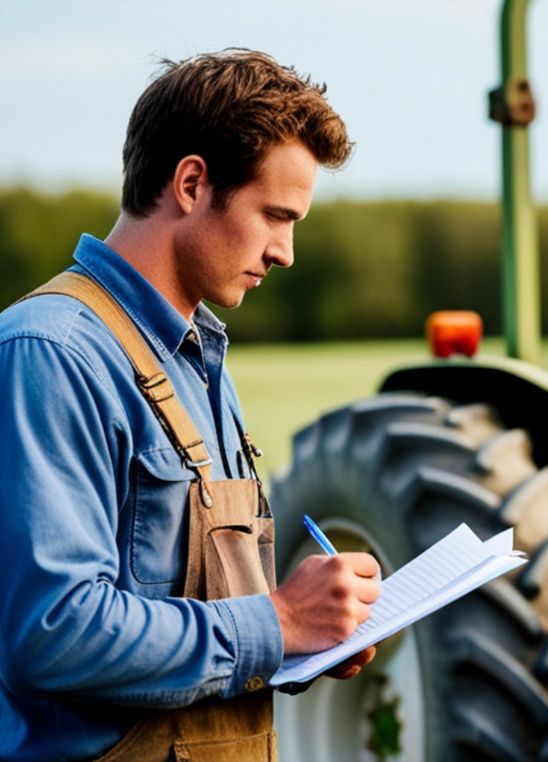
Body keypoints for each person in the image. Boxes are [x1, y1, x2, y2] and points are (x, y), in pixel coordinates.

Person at [0, 50, 381, 761]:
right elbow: (52, 632)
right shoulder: (50, 354)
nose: (286, 252)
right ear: (192, 182)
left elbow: (208, 627)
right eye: (275, 215)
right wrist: (278, 621)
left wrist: (311, 638)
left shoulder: (200, 360)